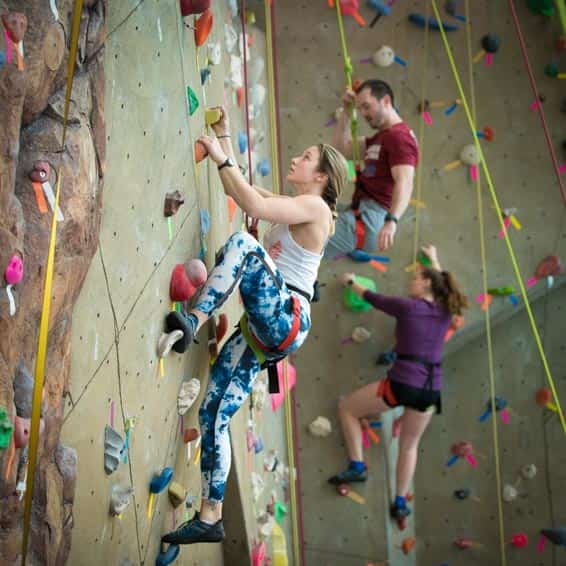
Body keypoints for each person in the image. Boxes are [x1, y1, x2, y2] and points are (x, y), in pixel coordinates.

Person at [159, 106, 348, 546]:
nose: (296, 160)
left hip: (285, 317)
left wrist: (215, 151)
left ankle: (193, 320)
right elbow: (243, 187)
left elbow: (251, 204)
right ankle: (211, 515)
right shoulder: (301, 206)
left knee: (244, 243)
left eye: (305, 157)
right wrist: (223, 137)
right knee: (212, 413)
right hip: (267, 332)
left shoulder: (318, 209)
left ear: (320, 177)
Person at [328, 245, 469, 523]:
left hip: (403, 383)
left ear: (427, 282)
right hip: (430, 390)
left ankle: (357, 464)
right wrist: (436, 259)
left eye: (415, 278)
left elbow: (372, 297)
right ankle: (400, 502)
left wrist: (351, 281)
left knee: (347, 409)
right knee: (409, 445)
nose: (410, 282)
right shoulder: (445, 312)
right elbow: (447, 289)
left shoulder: (408, 307)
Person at [326, 79, 419, 258]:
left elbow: (405, 182)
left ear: (385, 101)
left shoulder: (400, 138)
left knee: (307, 235)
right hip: (362, 211)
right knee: (315, 213)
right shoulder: (382, 138)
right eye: (360, 108)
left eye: (367, 106)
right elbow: (340, 149)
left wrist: (392, 221)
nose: (363, 113)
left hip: (372, 218)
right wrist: (347, 111)